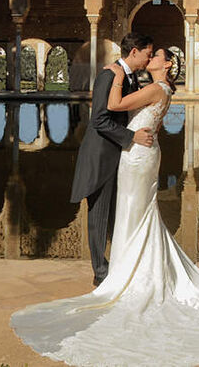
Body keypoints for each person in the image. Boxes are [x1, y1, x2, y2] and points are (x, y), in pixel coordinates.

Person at [11, 47, 199, 366]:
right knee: (138, 214)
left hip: (138, 155)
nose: (149, 60)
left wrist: (115, 74)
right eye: (148, 54)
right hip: (142, 151)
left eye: (154, 56)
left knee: (134, 212)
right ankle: (130, 266)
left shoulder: (155, 87)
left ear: (167, 64)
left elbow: (113, 106)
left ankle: (126, 271)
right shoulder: (161, 88)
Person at [68, 32, 155, 286]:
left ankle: (114, 263)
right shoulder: (109, 75)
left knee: (114, 212)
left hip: (116, 154)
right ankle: (100, 271)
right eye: (147, 54)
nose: (148, 60)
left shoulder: (129, 77)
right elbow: (99, 120)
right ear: (134, 52)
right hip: (101, 155)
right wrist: (132, 137)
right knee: (99, 214)